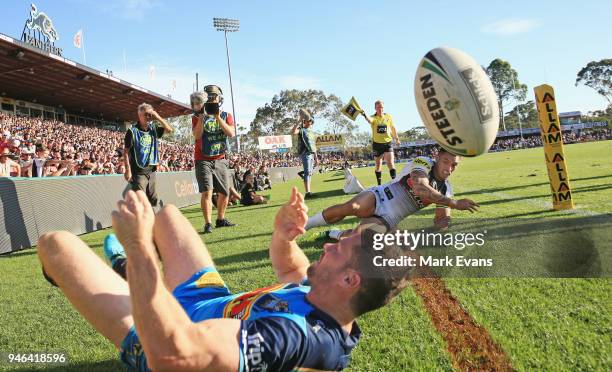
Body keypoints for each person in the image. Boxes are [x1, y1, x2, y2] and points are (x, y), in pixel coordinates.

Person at [37, 188, 410, 371]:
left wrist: (139, 247)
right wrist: (282, 235)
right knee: (166, 216)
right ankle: (128, 274)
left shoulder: (298, 337)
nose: (330, 244)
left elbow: (175, 354)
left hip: (164, 331)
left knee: (56, 245)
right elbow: (288, 266)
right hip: (209, 298)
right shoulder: (328, 294)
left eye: (341, 247)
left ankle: (130, 272)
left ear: (349, 280)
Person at [305, 148, 480, 239]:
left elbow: (441, 221)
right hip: (380, 196)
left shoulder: (446, 189)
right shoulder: (424, 162)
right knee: (353, 206)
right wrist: (454, 204)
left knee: (356, 240)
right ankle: (307, 224)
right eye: (445, 161)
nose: (449, 168)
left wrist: (443, 224)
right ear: (437, 158)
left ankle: (335, 234)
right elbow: (420, 187)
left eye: (454, 165)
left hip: (389, 218)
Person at [191, 85, 236, 234]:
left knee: (225, 192)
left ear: (219, 99)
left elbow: (231, 134)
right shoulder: (196, 116)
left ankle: (220, 219)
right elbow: (197, 136)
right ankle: (208, 223)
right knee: (207, 192)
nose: (212, 99)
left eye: (214, 96)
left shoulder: (226, 115)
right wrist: (202, 119)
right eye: (209, 96)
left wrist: (217, 117)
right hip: (202, 158)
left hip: (220, 157)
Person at [123, 103, 174, 207]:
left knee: (153, 199)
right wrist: (127, 170)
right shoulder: (132, 131)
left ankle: (152, 220)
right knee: (141, 200)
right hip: (138, 171)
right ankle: (141, 221)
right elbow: (126, 152)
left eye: (150, 114)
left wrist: (158, 117)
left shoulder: (153, 129)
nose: (148, 117)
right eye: (145, 114)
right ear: (139, 115)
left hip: (151, 170)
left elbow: (170, 130)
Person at [361, 100, 400, 185]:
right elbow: (369, 120)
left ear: (383, 107)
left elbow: (393, 128)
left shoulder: (388, 116)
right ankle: (379, 185)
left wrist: (396, 138)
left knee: (390, 163)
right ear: (375, 108)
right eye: (378, 107)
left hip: (387, 143)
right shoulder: (373, 117)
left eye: (381, 107)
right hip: (377, 144)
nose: (380, 109)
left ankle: (395, 182)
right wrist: (364, 115)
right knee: (378, 165)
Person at [292, 109, 319, 198]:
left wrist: (316, 158)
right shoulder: (301, 130)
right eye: (307, 120)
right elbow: (292, 132)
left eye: (309, 120)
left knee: (309, 173)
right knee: (307, 172)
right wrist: (299, 120)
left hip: (311, 154)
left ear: (311, 122)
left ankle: (308, 190)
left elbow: (313, 146)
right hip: (305, 153)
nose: (308, 121)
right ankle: (308, 193)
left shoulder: (311, 132)